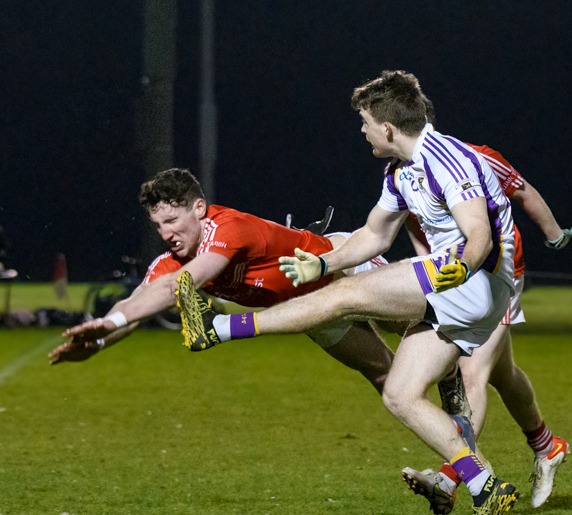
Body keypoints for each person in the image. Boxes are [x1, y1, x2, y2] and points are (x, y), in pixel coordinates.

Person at [175, 70, 521, 515]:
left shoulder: (446, 159)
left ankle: (215, 327)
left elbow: (479, 235)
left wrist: (456, 270)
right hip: (464, 289)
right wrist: (322, 261)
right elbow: (373, 236)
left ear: (387, 128)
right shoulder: (401, 172)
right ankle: (488, 490)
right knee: (399, 394)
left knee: (343, 297)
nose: (360, 130)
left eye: (363, 122)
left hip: (475, 280)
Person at [50, 168, 396, 393]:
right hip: (308, 307)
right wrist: (98, 341)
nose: (165, 233)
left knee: (425, 324)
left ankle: (453, 414)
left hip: (343, 267)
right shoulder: (172, 260)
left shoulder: (226, 228)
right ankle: (450, 454)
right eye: (158, 225)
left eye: (172, 220)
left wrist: (112, 321)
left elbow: (176, 288)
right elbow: (136, 305)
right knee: (387, 378)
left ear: (199, 208)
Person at [402, 143, 572, 513]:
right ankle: (548, 447)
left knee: (472, 373)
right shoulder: (400, 172)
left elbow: (523, 189)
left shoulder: (472, 156)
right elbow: (417, 227)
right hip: (455, 276)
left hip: (498, 272)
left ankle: (449, 477)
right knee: (503, 373)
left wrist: (554, 233)